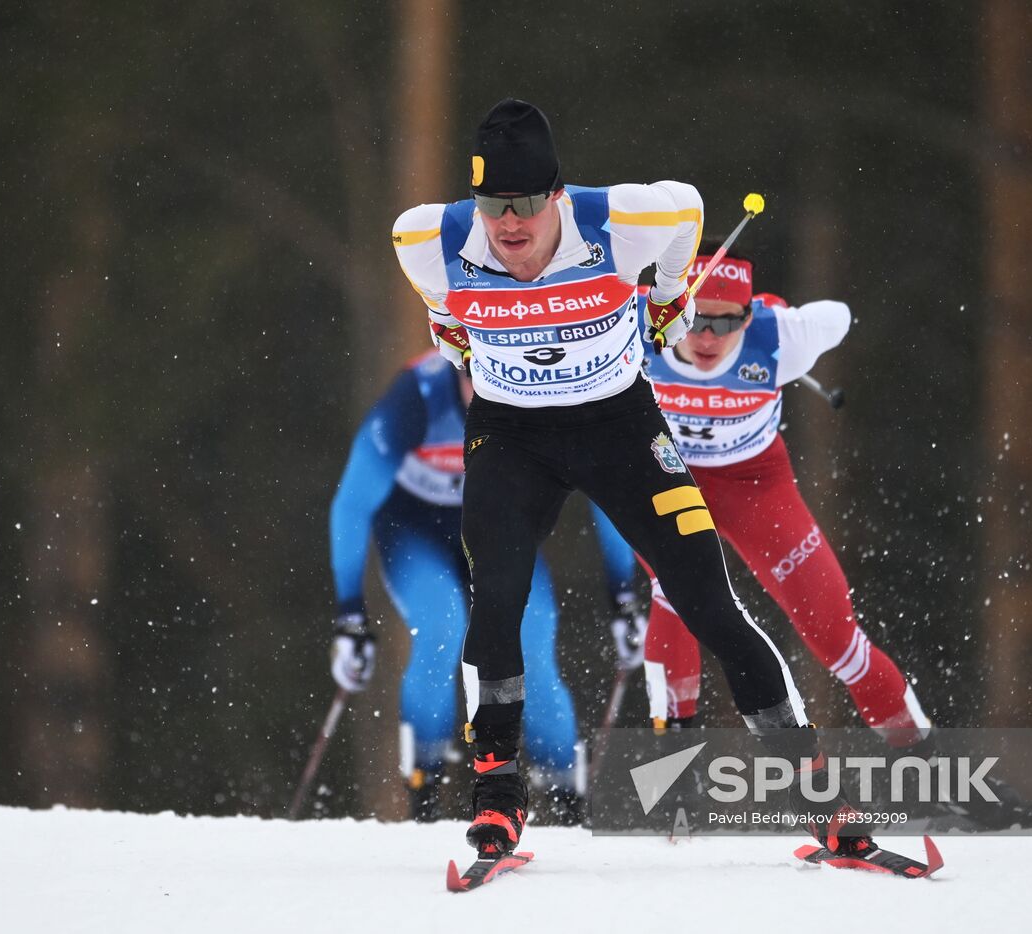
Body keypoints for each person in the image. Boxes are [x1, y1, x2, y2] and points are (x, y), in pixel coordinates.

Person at [391, 98, 868, 859]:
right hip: (513, 438)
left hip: (620, 429)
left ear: (557, 196)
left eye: (522, 206)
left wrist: (673, 294)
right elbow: (442, 317)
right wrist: (456, 339)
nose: (507, 226)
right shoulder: (429, 236)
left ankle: (815, 797)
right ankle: (498, 799)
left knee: (711, 605)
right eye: (490, 207)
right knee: (499, 599)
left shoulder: (621, 220)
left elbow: (690, 207)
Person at [328, 352, 644, 822]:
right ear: (457, 370)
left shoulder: (544, 398)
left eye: (500, 384)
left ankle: (566, 794)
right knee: (441, 627)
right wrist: (350, 616)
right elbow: (352, 504)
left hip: (497, 525)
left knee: (532, 644)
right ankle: (426, 787)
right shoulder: (416, 399)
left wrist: (623, 593)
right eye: (476, 382)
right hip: (416, 530)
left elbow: (608, 490)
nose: (488, 397)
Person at [637, 247, 932, 743]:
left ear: (748, 316)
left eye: (728, 322)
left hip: (755, 485)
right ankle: (672, 774)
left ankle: (933, 772)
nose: (709, 338)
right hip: (666, 481)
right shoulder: (633, 323)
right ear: (673, 307)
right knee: (674, 596)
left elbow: (839, 315)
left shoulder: (781, 338)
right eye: (696, 321)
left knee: (837, 638)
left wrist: (779, 316)